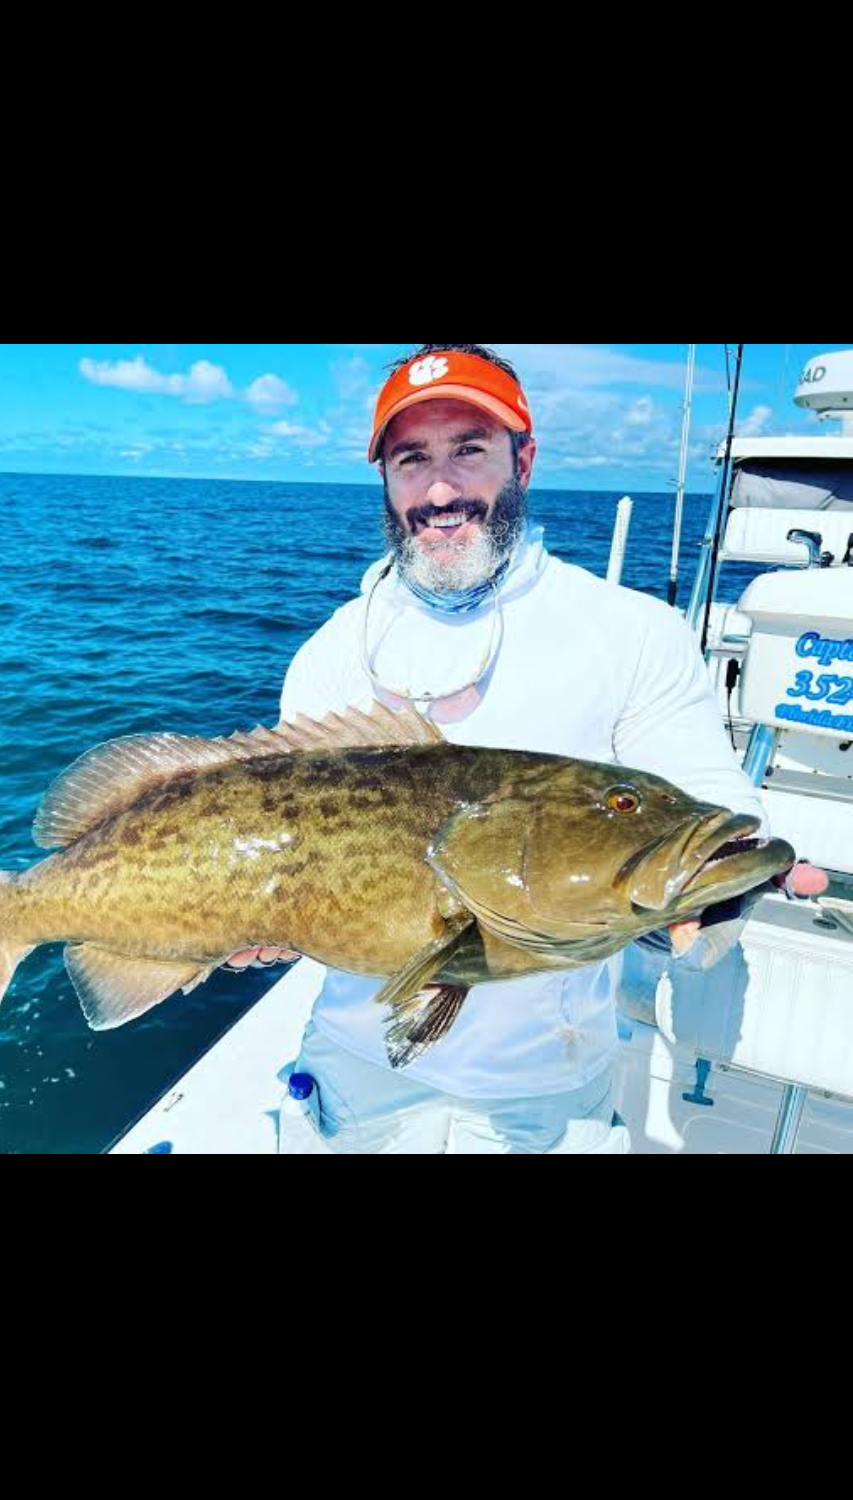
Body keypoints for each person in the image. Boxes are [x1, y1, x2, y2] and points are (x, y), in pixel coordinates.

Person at [228, 345, 825, 1154]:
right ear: (386, 480)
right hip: (353, 1062)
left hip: (547, 1082)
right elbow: (276, 846)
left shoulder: (630, 631)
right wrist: (243, 927)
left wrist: (712, 894)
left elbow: (703, 789)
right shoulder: (331, 655)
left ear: (525, 459)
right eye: (413, 460)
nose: (441, 489)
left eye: (469, 450)